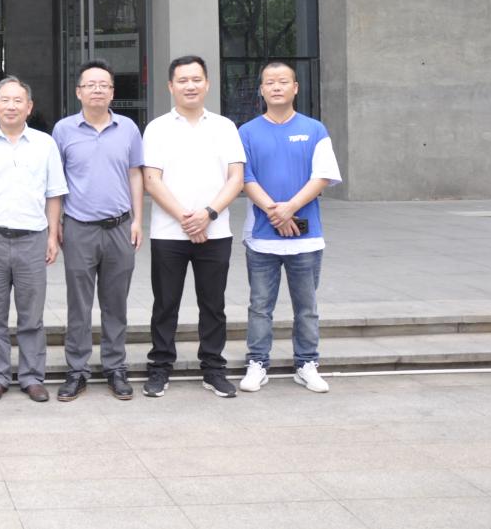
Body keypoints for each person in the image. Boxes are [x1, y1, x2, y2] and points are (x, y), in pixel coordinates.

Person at [141, 55, 245, 399]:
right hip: (168, 233)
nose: (190, 86)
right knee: (165, 304)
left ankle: (213, 369)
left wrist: (208, 215)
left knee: (213, 305)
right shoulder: (157, 128)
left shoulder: (224, 127)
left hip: (215, 232)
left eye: (196, 79)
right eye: (183, 80)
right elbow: (152, 180)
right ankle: (160, 367)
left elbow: (236, 177)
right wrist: (188, 218)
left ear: (207, 84)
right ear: (171, 86)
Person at [237, 62, 342, 394]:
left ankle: (306, 363)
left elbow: (322, 176)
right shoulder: (247, 132)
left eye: (283, 81)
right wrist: (275, 212)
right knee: (260, 306)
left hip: (306, 238)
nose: (276, 87)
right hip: (262, 237)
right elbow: (244, 178)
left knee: (306, 308)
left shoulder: (314, 130)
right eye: (269, 82)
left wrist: (289, 209)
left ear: (295, 88)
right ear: (261, 90)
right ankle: (257, 363)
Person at [0, 77, 68, 403]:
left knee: (31, 315)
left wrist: (52, 235)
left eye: (17, 100)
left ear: (29, 106)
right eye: (5, 100)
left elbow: (54, 193)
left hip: (32, 238)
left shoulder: (45, 144)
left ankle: (32, 376)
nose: (11, 106)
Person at [52, 59, 144, 402]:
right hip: (79, 228)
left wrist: (138, 220)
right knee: (78, 304)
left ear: (112, 92)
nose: (97, 90)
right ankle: (77, 370)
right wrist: (55, 225)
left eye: (104, 85)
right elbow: (55, 182)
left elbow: (135, 174)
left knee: (115, 303)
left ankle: (115, 368)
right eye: (90, 85)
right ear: (79, 92)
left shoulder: (128, 129)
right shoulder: (63, 130)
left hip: (119, 227)